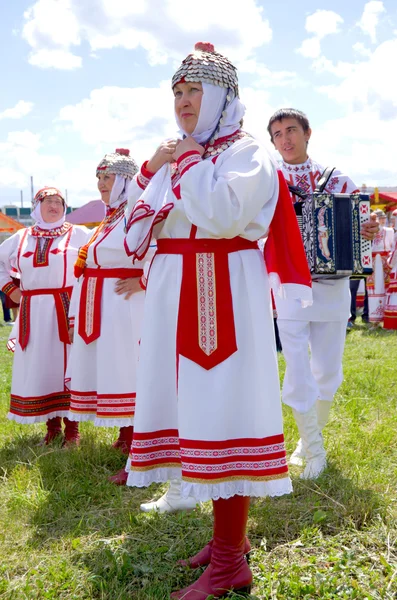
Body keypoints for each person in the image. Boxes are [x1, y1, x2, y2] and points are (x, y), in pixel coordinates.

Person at [124, 43, 312, 599]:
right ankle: (228, 540)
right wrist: (157, 166)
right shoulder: (191, 151)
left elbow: (224, 213)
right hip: (176, 288)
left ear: (223, 96)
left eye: (194, 91)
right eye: (177, 92)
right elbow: (131, 231)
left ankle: (230, 559)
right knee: (197, 415)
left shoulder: (247, 151)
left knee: (224, 411)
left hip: (220, 288)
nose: (183, 101)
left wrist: (182, 162)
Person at [268, 108, 379, 479]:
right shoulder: (269, 180)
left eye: (291, 130)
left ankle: (304, 442)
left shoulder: (338, 180)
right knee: (297, 365)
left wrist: (369, 227)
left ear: (307, 132)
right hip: (288, 285)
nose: (285, 139)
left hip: (332, 286)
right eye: (278, 134)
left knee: (327, 370)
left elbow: (363, 226)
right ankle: (314, 449)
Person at [66, 149, 147, 485]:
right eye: (98, 178)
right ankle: (127, 435)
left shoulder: (136, 212)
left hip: (125, 304)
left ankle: (139, 447)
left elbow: (159, 247)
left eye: (107, 177)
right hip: (101, 303)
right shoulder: (111, 216)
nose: (101, 184)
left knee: (127, 367)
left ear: (125, 179)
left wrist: (143, 279)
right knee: (113, 367)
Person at [0, 187, 89, 444]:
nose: (54, 206)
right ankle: (52, 429)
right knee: (42, 365)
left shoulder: (79, 234)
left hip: (67, 308)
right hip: (33, 312)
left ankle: (73, 431)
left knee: (68, 364)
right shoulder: (21, 236)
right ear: (37, 206)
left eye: (59, 202)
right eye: (48, 201)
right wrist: (11, 290)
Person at [367, 209, 395, 327]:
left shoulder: (389, 231)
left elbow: (391, 246)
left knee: (387, 289)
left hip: (385, 261)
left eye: (383, 217)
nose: (382, 220)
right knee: (373, 289)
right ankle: (375, 319)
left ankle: (386, 316)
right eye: (379, 218)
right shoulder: (369, 230)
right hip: (373, 261)